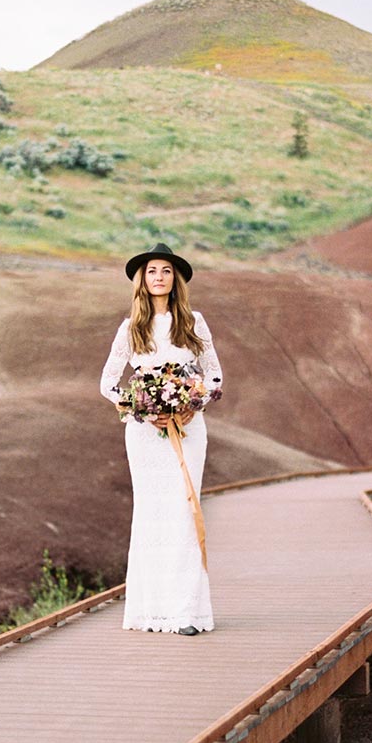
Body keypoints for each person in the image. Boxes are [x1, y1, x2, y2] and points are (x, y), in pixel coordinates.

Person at [100, 243, 224, 636]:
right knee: (152, 512)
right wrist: (141, 408)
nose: (159, 277)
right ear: (142, 279)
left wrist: (195, 403)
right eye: (152, 270)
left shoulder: (194, 322)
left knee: (184, 510)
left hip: (188, 429)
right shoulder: (130, 327)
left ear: (176, 279)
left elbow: (215, 375)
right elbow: (107, 384)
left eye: (166, 271)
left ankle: (187, 612)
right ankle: (149, 611)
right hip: (144, 434)